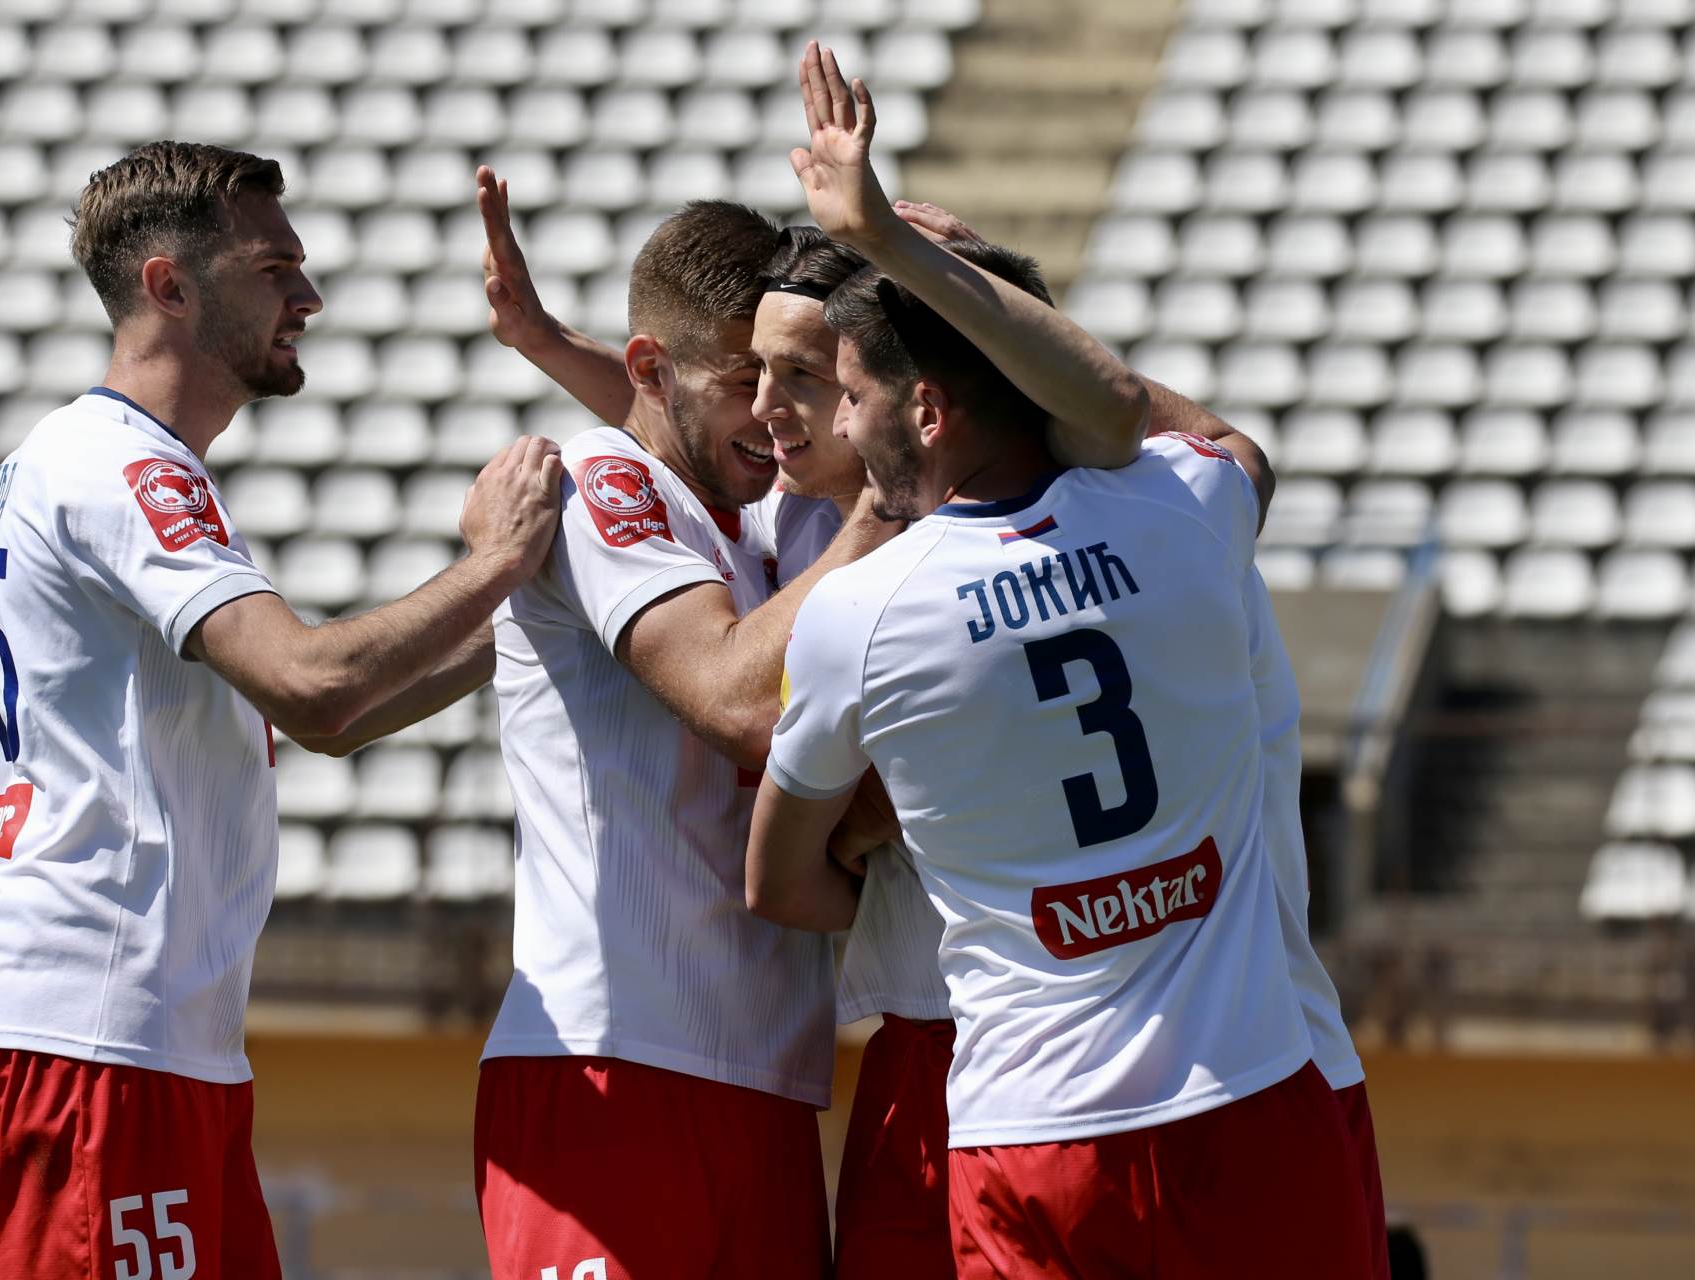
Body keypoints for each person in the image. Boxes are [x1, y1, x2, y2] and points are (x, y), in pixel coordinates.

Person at [748, 46, 1373, 1278]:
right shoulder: (1181, 516)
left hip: (1029, 1136)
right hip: (1251, 1090)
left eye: (857, 389)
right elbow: (1182, 422)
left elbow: (780, 882)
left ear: (927, 409)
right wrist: (952, 263)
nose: (839, 419)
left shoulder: (859, 614)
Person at [0, 141, 564, 1280]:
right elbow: (312, 680)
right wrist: (498, 561)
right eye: (277, 268)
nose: (309, 298)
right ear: (169, 285)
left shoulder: (123, 462)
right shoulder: (123, 465)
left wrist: (551, 614)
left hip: (157, 1040)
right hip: (90, 1035)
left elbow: (336, 715)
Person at [472, 187, 908, 1279]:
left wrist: (545, 338)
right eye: (742, 379)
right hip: (613, 1067)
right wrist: (876, 508)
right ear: (652, 372)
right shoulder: (604, 478)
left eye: (789, 378)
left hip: (762, 1077)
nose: (772, 410)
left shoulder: (755, 516)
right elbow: (733, 699)